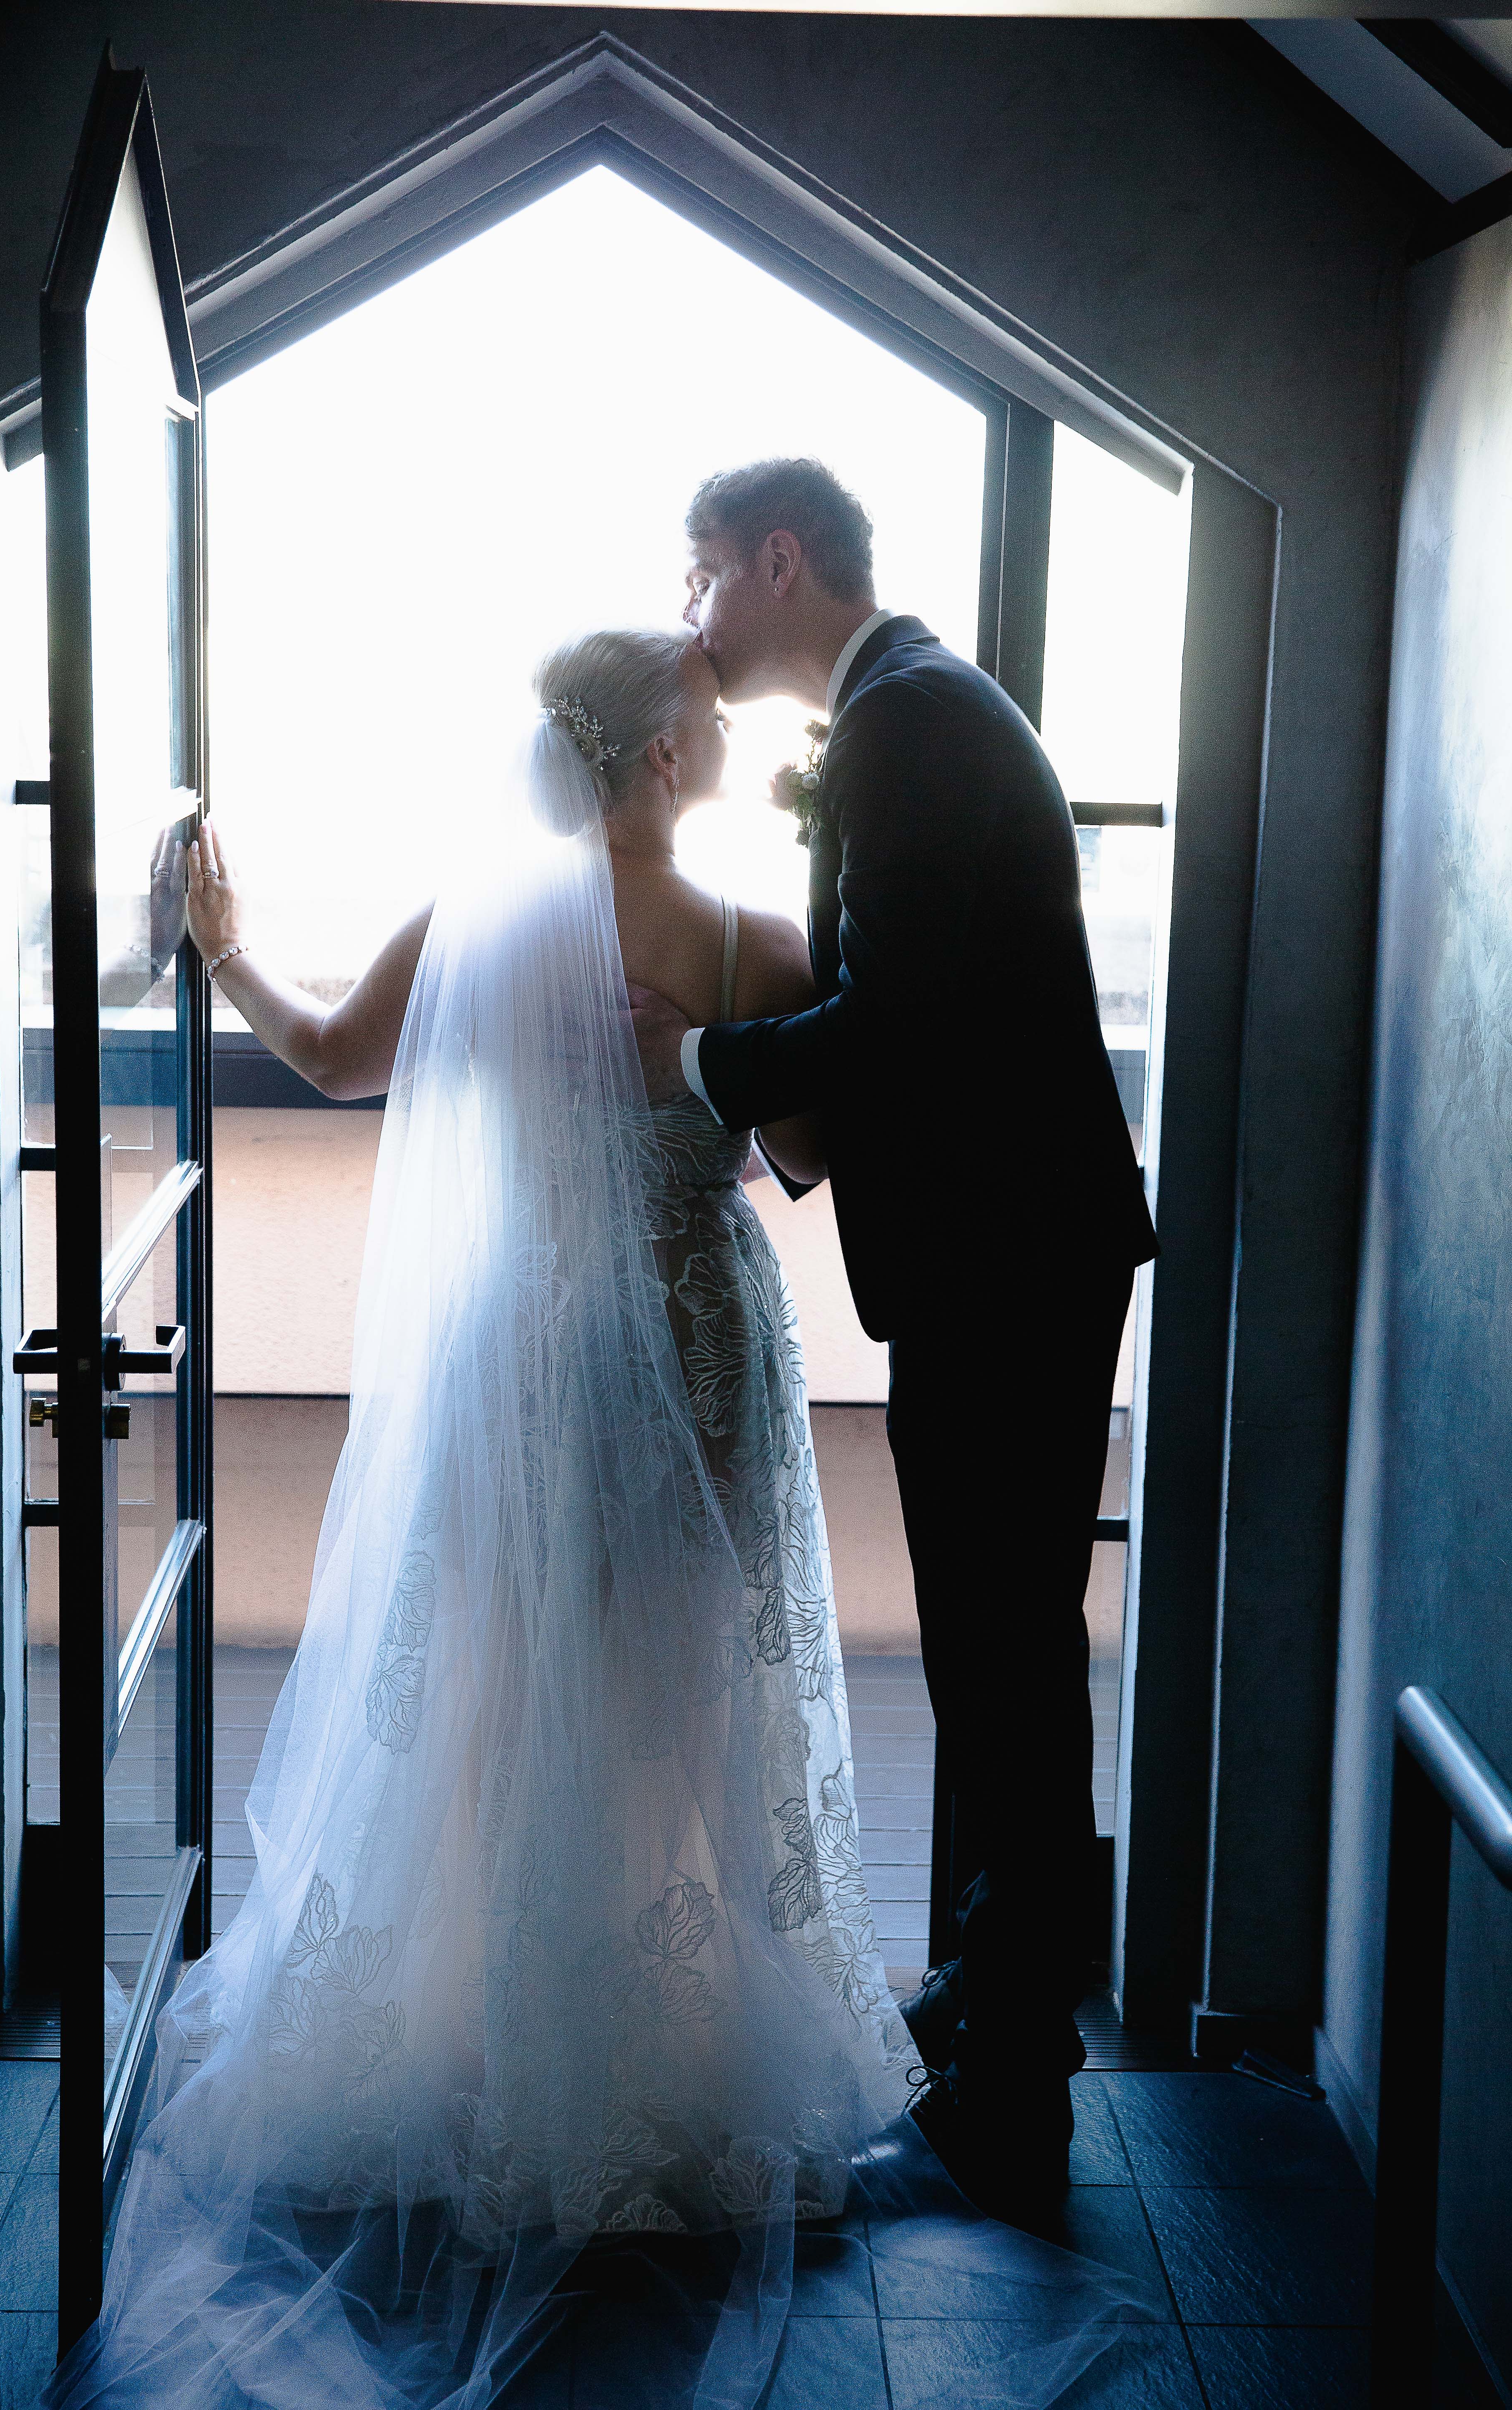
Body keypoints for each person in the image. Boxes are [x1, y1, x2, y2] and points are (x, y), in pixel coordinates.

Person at [40, 627, 1145, 2410]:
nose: (726, 736)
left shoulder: (481, 923)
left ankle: (507, 2046)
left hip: (527, 1348)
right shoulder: (748, 943)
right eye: (704, 719)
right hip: (698, 1349)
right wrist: (726, 1060)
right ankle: (659, 2049)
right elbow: (811, 1149)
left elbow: (330, 1057)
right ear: (661, 762)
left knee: (506, 1687)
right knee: (680, 1697)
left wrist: (221, 944)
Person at [628, 459, 1159, 2211]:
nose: (694, 608)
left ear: (779, 561)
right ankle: (994, 1991)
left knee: (1006, 1661)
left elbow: (900, 1017)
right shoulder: (914, 707)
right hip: (1012, 1257)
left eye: (704, 572)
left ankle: (1020, 2077)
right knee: (1002, 1651)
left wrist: (698, 1064)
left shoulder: (908, 726)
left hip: (1008, 1264)